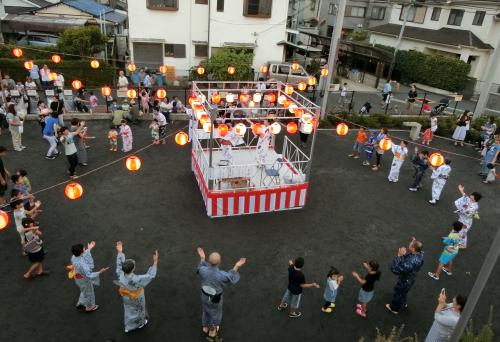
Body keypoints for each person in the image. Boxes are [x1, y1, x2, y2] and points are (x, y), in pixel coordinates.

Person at [197, 247, 245, 340]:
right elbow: (231, 277)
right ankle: (212, 330)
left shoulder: (203, 270)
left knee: (206, 310)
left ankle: (205, 327)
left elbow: (199, 267)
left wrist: (202, 258)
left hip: (204, 296)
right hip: (216, 299)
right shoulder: (222, 275)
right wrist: (237, 265)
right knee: (215, 313)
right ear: (219, 262)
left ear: (208, 261)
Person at [114, 241, 158, 334]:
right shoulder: (136, 279)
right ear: (133, 269)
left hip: (126, 296)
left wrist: (120, 252)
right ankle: (140, 323)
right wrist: (155, 262)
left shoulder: (120, 274)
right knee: (139, 309)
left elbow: (119, 264)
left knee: (128, 309)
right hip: (137, 297)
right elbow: (150, 275)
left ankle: (128, 326)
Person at [386, 238, 424, 314]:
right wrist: (415, 242)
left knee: (398, 292)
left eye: (410, 245)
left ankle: (394, 308)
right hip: (411, 278)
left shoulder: (410, 262)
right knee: (404, 292)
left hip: (405, 280)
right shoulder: (421, 254)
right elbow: (418, 248)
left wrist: (399, 256)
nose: (409, 245)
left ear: (413, 249)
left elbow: (395, 270)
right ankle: (403, 303)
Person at [70, 242, 109, 312]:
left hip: (78, 278)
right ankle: (89, 307)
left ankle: (81, 302)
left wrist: (89, 248)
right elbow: (89, 275)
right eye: (83, 249)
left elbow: (83, 255)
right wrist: (100, 272)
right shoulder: (82, 265)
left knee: (83, 290)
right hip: (85, 280)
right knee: (89, 293)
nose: (84, 249)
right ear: (81, 253)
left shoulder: (73, 257)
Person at [454, 185, 481, 249]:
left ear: (474, 198)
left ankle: (461, 244)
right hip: (463, 219)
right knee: (461, 231)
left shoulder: (474, 206)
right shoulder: (471, 201)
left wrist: (460, 209)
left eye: (472, 195)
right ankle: (459, 242)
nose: (470, 195)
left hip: (466, 221)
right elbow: (465, 197)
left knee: (462, 232)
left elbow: (466, 212)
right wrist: (461, 190)